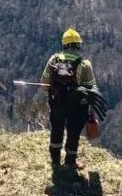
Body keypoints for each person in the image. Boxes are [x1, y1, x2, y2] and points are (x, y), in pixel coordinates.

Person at [40, 28, 97, 171]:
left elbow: (44, 85)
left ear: (64, 44)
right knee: (73, 134)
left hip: (57, 104)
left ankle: (55, 162)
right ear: (77, 45)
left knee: (56, 131)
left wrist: (55, 92)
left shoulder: (54, 60)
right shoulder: (84, 64)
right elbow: (91, 88)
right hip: (77, 107)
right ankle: (70, 163)